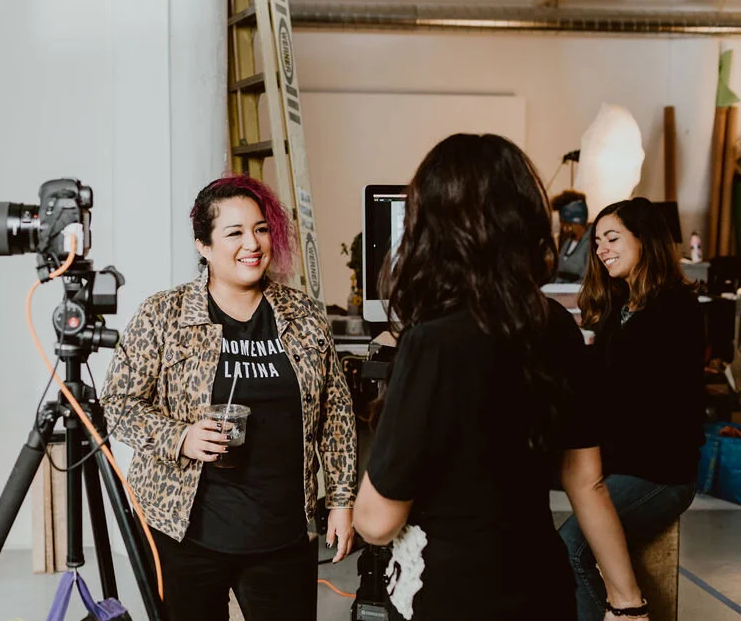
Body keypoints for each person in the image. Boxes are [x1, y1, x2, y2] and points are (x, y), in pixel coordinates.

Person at [353, 134, 648, 620]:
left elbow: (378, 520)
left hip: (454, 595)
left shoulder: (431, 342)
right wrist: (627, 601)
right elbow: (586, 480)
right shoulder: (556, 326)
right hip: (542, 589)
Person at [100, 175, 357, 621]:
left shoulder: (304, 315)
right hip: (185, 533)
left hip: (282, 533)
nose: (252, 244)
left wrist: (341, 497)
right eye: (234, 233)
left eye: (259, 229)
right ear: (203, 245)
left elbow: (336, 412)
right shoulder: (165, 314)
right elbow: (117, 404)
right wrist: (181, 436)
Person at [559, 197, 705, 621]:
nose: (601, 249)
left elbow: (634, 398)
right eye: (597, 241)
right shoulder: (621, 310)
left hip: (660, 473)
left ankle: (630, 612)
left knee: (571, 547)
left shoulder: (675, 309)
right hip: (620, 465)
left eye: (612, 238)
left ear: (644, 240)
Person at [551, 189, 591, 283]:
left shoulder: (592, 242)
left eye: (564, 222)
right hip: (561, 291)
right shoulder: (568, 242)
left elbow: (589, 278)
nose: (562, 225)